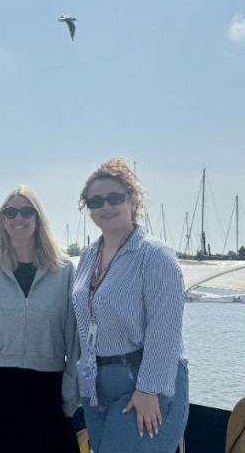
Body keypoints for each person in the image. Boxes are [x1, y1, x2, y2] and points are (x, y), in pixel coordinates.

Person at [72, 158, 188, 453]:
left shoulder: (155, 256)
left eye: (114, 197)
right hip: (96, 386)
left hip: (143, 380)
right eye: (95, 201)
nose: (105, 206)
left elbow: (166, 329)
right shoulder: (88, 257)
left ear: (133, 201)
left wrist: (150, 389)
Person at [0, 185, 80, 453]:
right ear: (2, 220)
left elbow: (74, 340)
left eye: (26, 211)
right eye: (10, 212)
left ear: (38, 218)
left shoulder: (65, 270)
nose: (18, 219)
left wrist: (70, 396)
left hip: (47, 389)